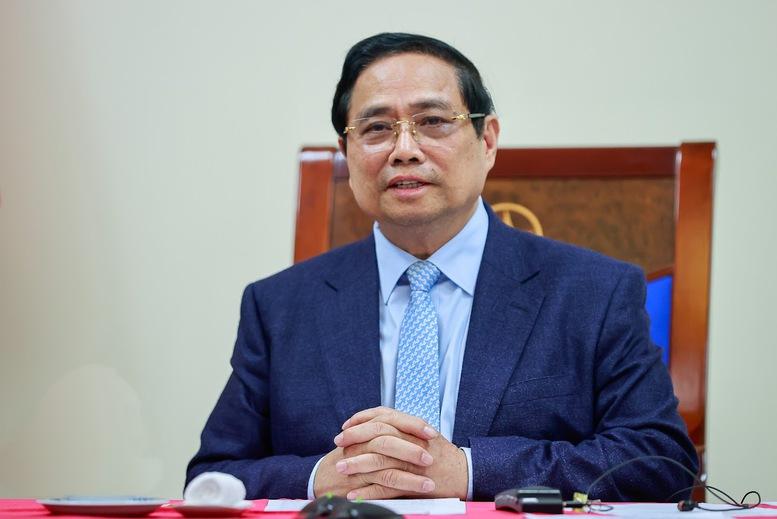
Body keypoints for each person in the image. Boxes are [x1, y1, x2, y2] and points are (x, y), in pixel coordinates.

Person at [186, 32, 697, 502]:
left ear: (487, 140)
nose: (405, 150)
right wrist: (322, 476)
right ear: (346, 152)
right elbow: (213, 476)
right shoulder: (279, 306)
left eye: (432, 122)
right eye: (377, 128)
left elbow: (661, 462)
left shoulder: (594, 292)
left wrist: (470, 471)